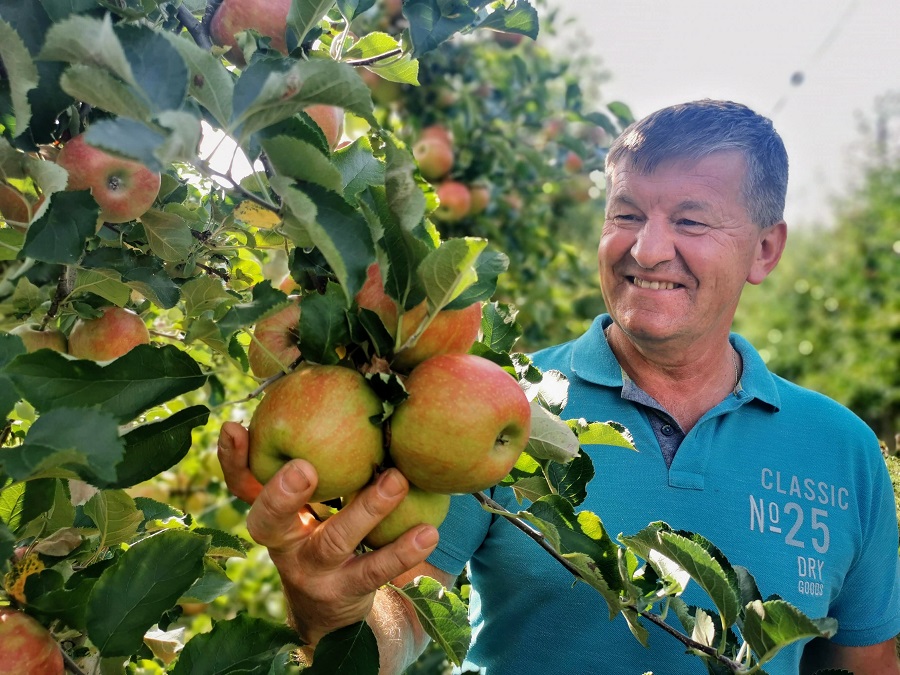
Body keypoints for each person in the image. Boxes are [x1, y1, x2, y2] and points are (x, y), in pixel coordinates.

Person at [217, 100, 900, 674]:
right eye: (627, 213)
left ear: (766, 249)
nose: (647, 248)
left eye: (690, 220)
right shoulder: (494, 402)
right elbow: (405, 618)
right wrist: (337, 610)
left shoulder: (842, 450)